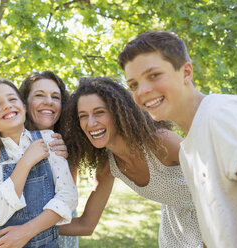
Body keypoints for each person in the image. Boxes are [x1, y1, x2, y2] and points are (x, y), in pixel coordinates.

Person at [118, 30, 237, 247]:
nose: (143, 91)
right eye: (134, 85)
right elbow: (216, 230)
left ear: (186, 72)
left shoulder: (219, 115)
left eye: (154, 75)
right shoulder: (187, 151)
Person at [59, 77, 203, 248]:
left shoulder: (160, 141)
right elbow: (86, 224)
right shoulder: (108, 166)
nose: (91, 123)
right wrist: (34, 227)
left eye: (99, 112)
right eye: (83, 116)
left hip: (214, 217)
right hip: (176, 229)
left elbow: (217, 179)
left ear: (118, 113)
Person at [0, 71, 79, 248]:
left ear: (24, 107)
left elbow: (68, 197)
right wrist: (26, 162)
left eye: (12, 99)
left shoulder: (50, 139)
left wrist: (26, 231)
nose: (6, 106)